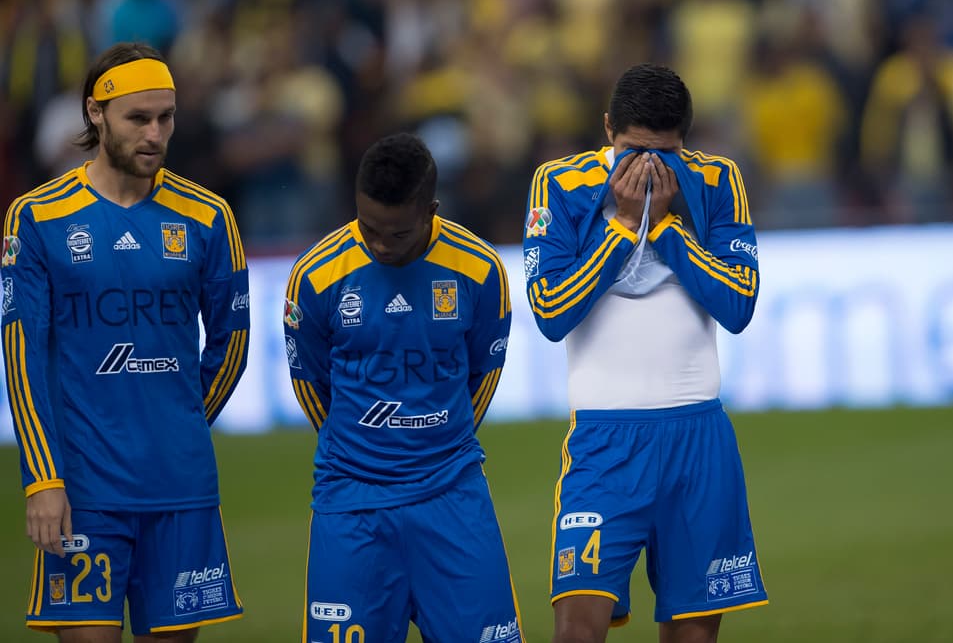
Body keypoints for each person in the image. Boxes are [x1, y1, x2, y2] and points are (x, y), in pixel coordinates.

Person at [1, 42, 250, 640]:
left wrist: (183, 422)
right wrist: (44, 479)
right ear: (95, 113)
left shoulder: (209, 217)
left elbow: (232, 342)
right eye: (139, 118)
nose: (155, 133)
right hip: (84, 492)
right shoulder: (37, 218)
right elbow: (22, 356)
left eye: (166, 117)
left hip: (181, 489)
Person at [523, 63, 767, 643]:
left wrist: (666, 229)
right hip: (604, 446)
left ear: (687, 138)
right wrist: (625, 225)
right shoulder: (558, 184)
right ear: (608, 129)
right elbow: (551, 314)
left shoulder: (717, 179)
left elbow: (738, 306)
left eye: (666, 154)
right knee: (576, 633)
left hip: (699, 440)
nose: (649, 169)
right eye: (633, 152)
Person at [284, 132, 522, 643]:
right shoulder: (316, 275)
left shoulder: (480, 270)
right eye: (368, 228)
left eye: (397, 234)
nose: (379, 244)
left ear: (431, 209)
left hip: (452, 495)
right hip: (351, 500)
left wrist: (436, 444)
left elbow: (481, 376)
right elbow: (310, 383)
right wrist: (362, 451)